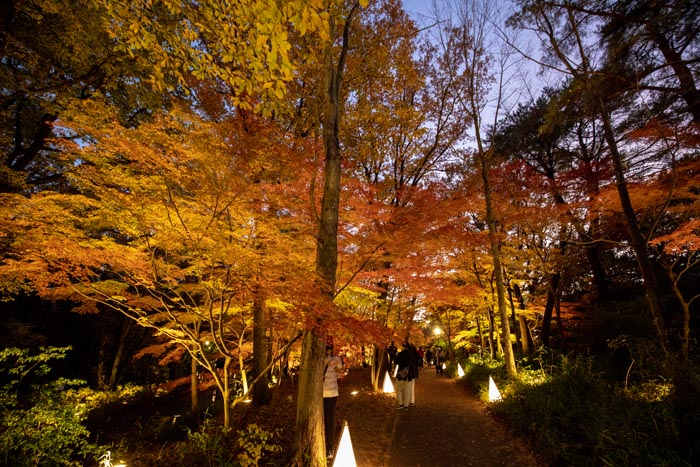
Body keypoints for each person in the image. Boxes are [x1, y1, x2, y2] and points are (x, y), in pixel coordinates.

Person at [323, 344, 344, 459]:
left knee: (329, 419)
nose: (329, 351)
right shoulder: (318, 359)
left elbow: (341, 374)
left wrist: (336, 367)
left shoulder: (337, 359)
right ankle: (326, 445)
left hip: (331, 393)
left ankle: (330, 447)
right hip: (319, 394)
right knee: (323, 420)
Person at [394, 341, 418, 409]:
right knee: (407, 390)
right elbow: (414, 365)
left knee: (399, 389)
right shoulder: (412, 355)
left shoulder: (400, 354)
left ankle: (401, 404)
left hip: (401, 374)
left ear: (403, 346)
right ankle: (406, 406)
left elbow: (395, 361)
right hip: (410, 375)